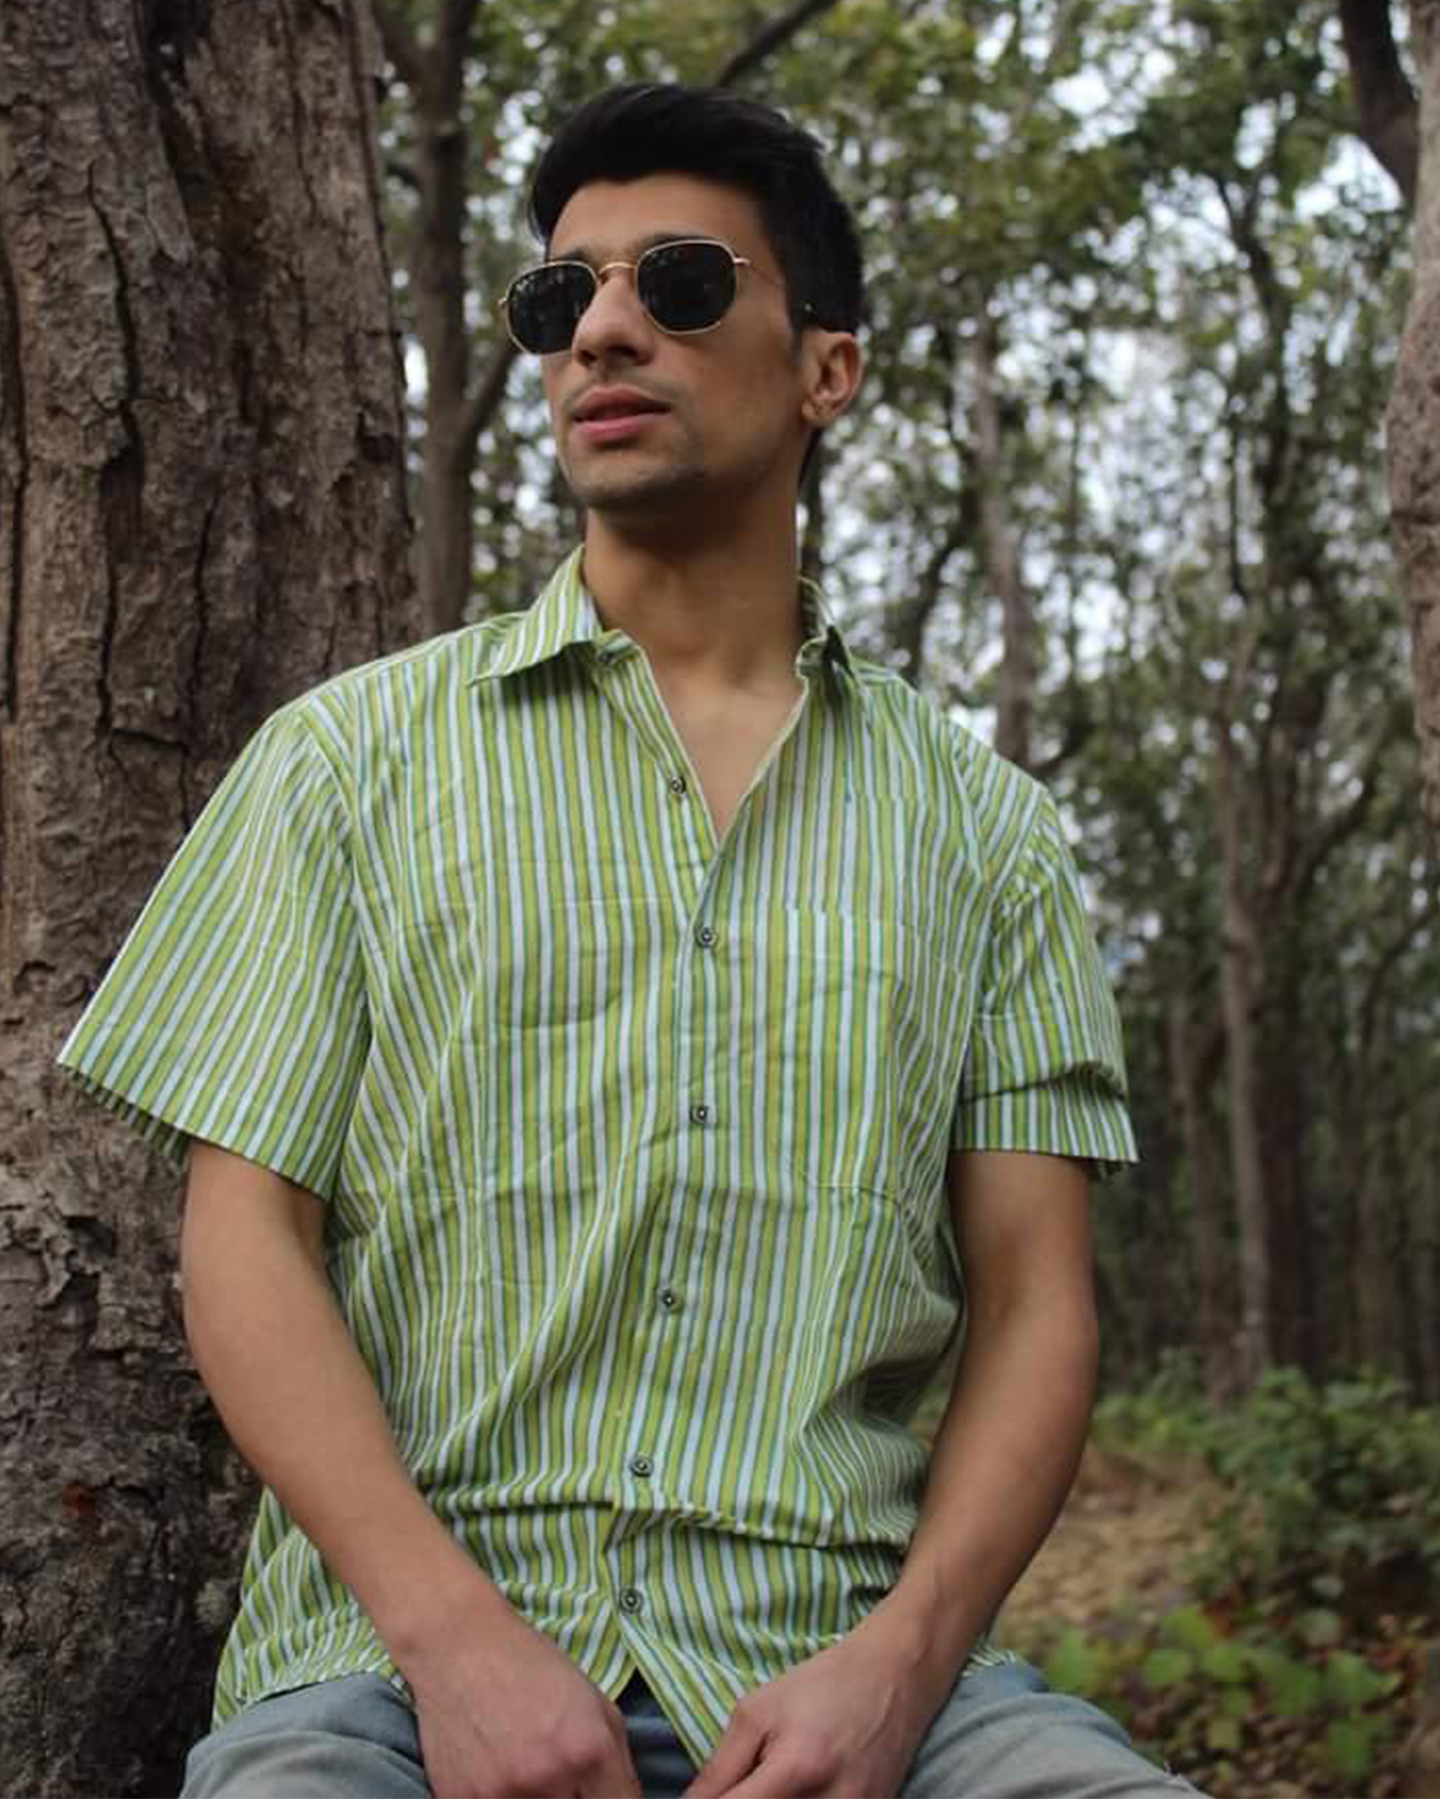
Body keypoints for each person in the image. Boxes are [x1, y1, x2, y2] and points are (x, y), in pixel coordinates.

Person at [60, 81, 1198, 1799]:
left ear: (828, 369)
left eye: (678, 283)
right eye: (558, 296)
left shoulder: (986, 833)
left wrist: (902, 1668)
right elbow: (243, 1243)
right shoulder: (345, 766)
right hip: (385, 1681)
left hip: (852, 1662)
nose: (600, 330)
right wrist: (455, 1647)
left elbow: (1039, 1305)